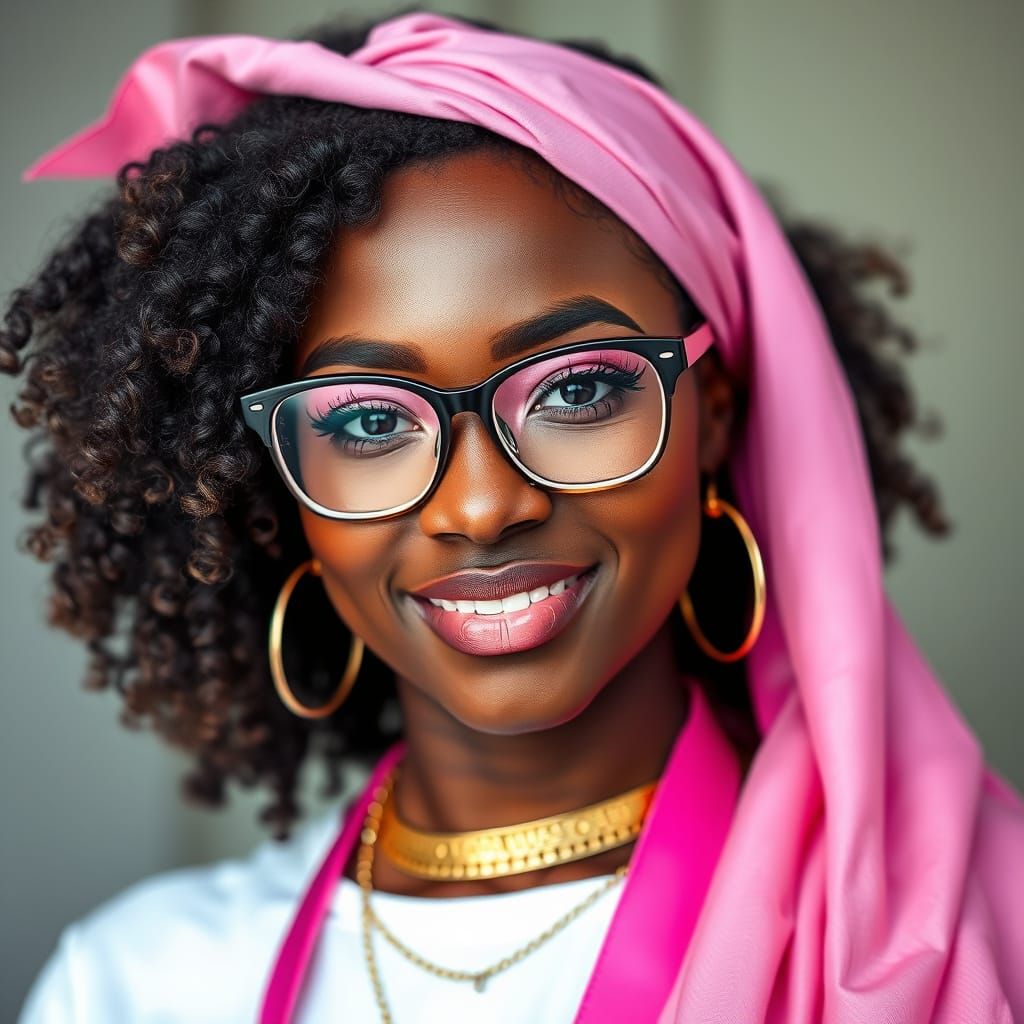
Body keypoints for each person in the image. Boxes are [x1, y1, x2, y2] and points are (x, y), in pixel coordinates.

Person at [6, 10, 1023, 1023]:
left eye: (577, 391)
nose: (485, 506)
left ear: (709, 416)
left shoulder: (985, 931)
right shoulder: (139, 985)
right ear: (278, 484)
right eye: (366, 418)